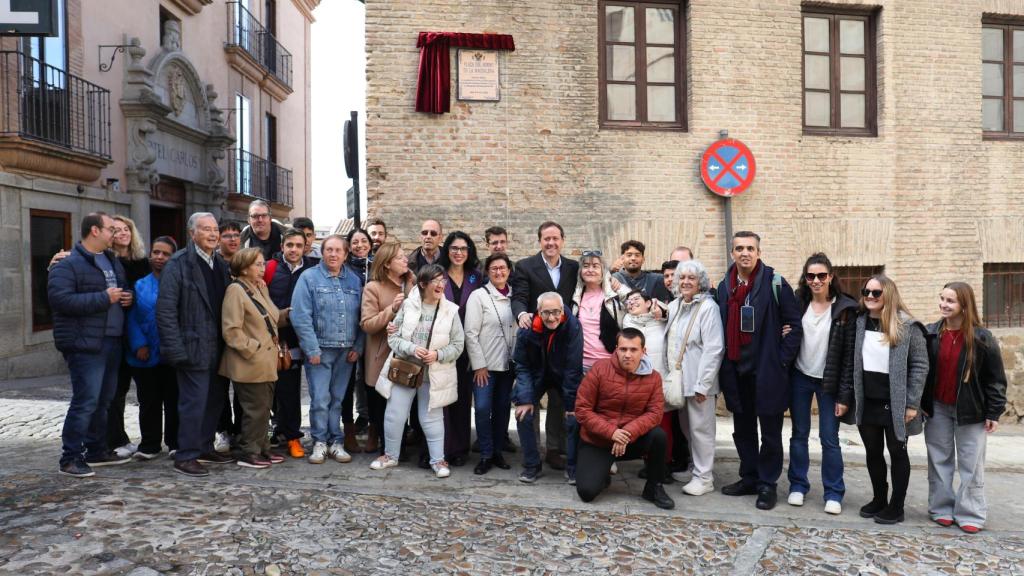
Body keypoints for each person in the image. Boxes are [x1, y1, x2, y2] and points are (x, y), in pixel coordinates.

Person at [717, 231, 803, 511]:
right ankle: (749, 477)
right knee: (742, 430)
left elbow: (794, 326)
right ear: (732, 253)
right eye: (739, 248)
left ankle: (767, 483)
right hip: (736, 371)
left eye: (750, 248)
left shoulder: (775, 283)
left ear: (758, 253)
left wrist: (780, 360)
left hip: (767, 372)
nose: (745, 253)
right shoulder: (724, 287)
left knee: (770, 433)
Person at [837, 275, 929, 525]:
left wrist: (912, 403)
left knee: (897, 452)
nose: (869, 296)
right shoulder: (859, 322)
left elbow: (920, 365)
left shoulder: (908, 326)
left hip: (896, 402)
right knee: (873, 452)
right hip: (867, 399)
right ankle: (879, 498)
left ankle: (897, 506)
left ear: (888, 294)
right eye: (866, 291)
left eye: (876, 293)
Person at [49, 212, 133, 477]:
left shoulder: (111, 260)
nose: (115, 234)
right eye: (111, 229)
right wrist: (103, 298)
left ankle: (96, 451)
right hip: (85, 344)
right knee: (85, 401)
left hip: (113, 341)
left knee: (104, 400)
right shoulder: (67, 264)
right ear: (95, 231)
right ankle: (70, 458)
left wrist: (127, 296)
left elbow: (121, 288)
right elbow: (61, 300)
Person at [922, 282, 1007, 533]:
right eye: (942, 298)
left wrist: (994, 412)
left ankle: (970, 513)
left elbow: (995, 379)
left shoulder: (982, 338)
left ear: (964, 305)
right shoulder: (931, 333)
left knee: (971, 464)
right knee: (939, 459)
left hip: (972, 411)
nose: (943, 304)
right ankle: (941, 508)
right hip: (937, 408)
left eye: (950, 301)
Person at [157, 212, 235, 477]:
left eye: (215, 229)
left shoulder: (220, 264)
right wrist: (175, 349)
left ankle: (204, 447)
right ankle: (186, 454)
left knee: (214, 401)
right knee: (193, 403)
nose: (213, 234)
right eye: (205, 229)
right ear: (192, 233)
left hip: (218, 347)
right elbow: (166, 311)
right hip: (192, 347)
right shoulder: (178, 264)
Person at [371, 264, 465, 478]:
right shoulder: (408, 306)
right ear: (423, 284)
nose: (441, 285)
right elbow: (393, 337)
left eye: (443, 280)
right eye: (436, 281)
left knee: (431, 418)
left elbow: (458, 345)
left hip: (434, 373)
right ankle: (390, 456)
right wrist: (412, 348)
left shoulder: (451, 310)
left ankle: (438, 460)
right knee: (395, 414)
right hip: (406, 369)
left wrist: (438, 355)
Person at [786, 253, 859, 515]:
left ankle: (834, 492)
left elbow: (849, 357)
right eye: (810, 276)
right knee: (799, 434)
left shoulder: (845, 309)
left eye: (821, 275)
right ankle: (798, 485)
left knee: (829, 438)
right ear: (805, 278)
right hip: (800, 376)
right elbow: (786, 328)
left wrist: (844, 395)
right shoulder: (798, 302)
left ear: (830, 277)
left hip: (829, 382)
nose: (816, 280)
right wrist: (785, 331)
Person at [575, 328, 675, 510]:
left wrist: (627, 433)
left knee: (658, 436)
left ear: (643, 351)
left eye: (633, 349)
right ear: (616, 349)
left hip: (630, 440)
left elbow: (655, 413)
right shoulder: (599, 369)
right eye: (623, 349)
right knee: (587, 492)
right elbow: (582, 410)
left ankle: (654, 487)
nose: (627, 354)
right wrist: (612, 432)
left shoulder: (653, 378)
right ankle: (602, 472)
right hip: (598, 440)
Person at [510, 221, 580, 471]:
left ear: (562, 240)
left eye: (555, 238)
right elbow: (519, 296)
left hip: (562, 342)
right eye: (546, 239)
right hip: (535, 341)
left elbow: (594, 279)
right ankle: (533, 453)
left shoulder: (573, 267)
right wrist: (522, 315)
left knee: (560, 403)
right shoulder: (525, 266)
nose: (551, 243)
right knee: (527, 398)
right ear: (539, 241)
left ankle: (554, 449)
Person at [290, 235, 365, 465]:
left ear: (345, 254)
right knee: (320, 399)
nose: (333, 254)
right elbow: (300, 316)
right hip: (320, 351)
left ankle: (336, 442)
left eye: (338, 250)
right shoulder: (309, 278)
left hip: (346, 351)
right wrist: (311, 348)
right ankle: (320, 441)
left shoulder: (354, 281)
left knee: (338, 399)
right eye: (329, 250)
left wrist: (358, 346)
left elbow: (363, 316)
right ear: (322, 253)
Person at [220, 248, 287, 469]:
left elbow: (272, 317)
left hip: (265, 362)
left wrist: (289, 313)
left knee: (264, 408)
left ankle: (262, 448)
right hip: (250, 362)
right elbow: (231, 330)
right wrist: (253, 348)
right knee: (255, 410)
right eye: (257, 264)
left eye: (262, 264)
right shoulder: (235, 290)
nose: (262, 268)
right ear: (244, 267)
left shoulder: (258, 287)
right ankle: (249, 452)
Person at [664, 259, 724, 496]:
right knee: (688, 429)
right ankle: (695, 469)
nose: (686, 282)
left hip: (699, 382)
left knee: (702, 431)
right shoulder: (676, 305)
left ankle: (704, 477)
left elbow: (714, 348)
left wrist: (703, 384)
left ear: (701, 282)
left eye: (692, 278)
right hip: (681, 381)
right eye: (682, 277)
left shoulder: (708, 308)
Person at [512, 292, 583, 483]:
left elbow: (573, 367)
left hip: (563, 375)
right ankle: (532, 465)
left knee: (575, 417)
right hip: (537, 375)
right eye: (546, 313)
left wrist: (571, 405)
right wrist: (525, 399)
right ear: (538, 311)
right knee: (523, 414)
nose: (551, 318)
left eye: (556, 312)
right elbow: (522, 365)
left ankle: (573, 467)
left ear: (562, 311)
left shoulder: (573, 326)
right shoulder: (527, 329)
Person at [264, 228, 318, 458]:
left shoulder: (313, 270)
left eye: (298, 245)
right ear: (282, 247)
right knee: (277, 388)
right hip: (279, 339)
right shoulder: (270, 268)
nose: (294, 249)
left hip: (307, 337)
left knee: (292, 389)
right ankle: (281, 432)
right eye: (290, 245)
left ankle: (292, 435)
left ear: (305, 247)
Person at [126, 236, 180, 461]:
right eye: (156, 252)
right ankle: (149, 444)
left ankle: (176, 443)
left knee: (174, 400)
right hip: (145, 353)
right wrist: (139, 343)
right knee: (148, 401)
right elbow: (132, 317)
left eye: (165, 254)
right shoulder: (139, 285)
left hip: (172, 353)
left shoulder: (180, 283)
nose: (159, 257)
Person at [360, 239, 414, 455]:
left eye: (404, 256)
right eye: (400, 257)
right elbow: (367, 325)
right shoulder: (373, 288)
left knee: (402, 405)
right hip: (380, 358)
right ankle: (388, 449)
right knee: (381, 408)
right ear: (387, 264)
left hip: (407, 357)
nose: (406, 260)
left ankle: (399, 447)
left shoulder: (412, 284)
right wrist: (392, 310)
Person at [464, 253, 516, 475]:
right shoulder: (479, 296)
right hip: (485, 367)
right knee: (483, 408)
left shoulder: (516, 296)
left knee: (503, 410)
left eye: (502, 268)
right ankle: (485, 453)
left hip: (508, 366)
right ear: (487, 272)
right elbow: (470, 333)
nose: (498, 272)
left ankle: (497, 452)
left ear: (509, 271)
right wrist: (479, 365)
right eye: (494, 268)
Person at [105, 215, 152, 459]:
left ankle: (150, 441)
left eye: (127, 229)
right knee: (116, 390)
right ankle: (116, 438)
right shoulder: (106, 262)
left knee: (147, 392)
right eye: (117, 230)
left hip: (141, 333)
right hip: (116, 332)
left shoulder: (143, 263)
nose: (123, 233)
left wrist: (134, 296)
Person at [438, 231, 484, 466]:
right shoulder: (437, 274)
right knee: (439, 399)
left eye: (463, 249)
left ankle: (458, 449)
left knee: (462, 398)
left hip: (467, 346)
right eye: (454, 248)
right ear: (447, 250)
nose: (459, 253)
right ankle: (438, 449)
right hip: (440, 345)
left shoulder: (476, 277)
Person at [340, 227, 373, 454]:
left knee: (371, 381)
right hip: (349, 330)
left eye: (363, 241)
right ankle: (349, 429)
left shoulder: (378, 266)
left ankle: (373, 427)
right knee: (347, 382)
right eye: (355, 242)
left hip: (374, 330)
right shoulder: (344, 269)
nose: (359, 245)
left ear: (370, 244)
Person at [214, 218, 245, 453]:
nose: (232, 239)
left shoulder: (246, 262)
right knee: (220, 388)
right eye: (227, 235)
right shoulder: (213, 264)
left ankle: (242, 431)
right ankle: (222, 430)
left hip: (244, 334)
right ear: (218, 239)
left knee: (244, 387)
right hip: (218, 334)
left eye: (236, 235)